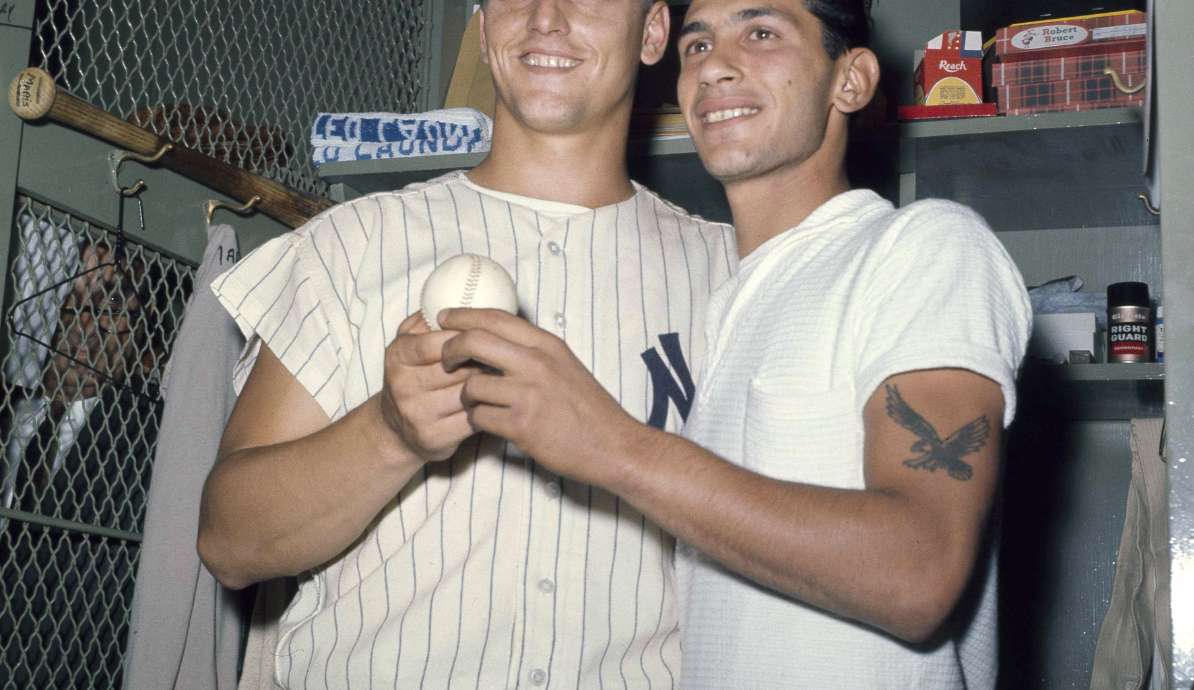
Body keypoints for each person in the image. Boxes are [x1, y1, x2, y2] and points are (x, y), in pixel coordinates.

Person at [437, 0, 1032, 686]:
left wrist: (614, 446)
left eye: (761, 34)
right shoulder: (724, 305)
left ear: (851, 80)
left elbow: (920, 573)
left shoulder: (923, 247)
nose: (715, 66)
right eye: (695, 46)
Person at [198, 1, 735, 687]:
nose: (547, 17)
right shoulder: (353, 243)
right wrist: (390, 433)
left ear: (654, 31)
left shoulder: (730, 275)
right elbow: (228, 542)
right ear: (482, 30)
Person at [0, 241, 166, 688]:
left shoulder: (145, 443)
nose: (88, 318)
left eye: (113, 300)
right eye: (73, 297)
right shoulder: (12, 416)